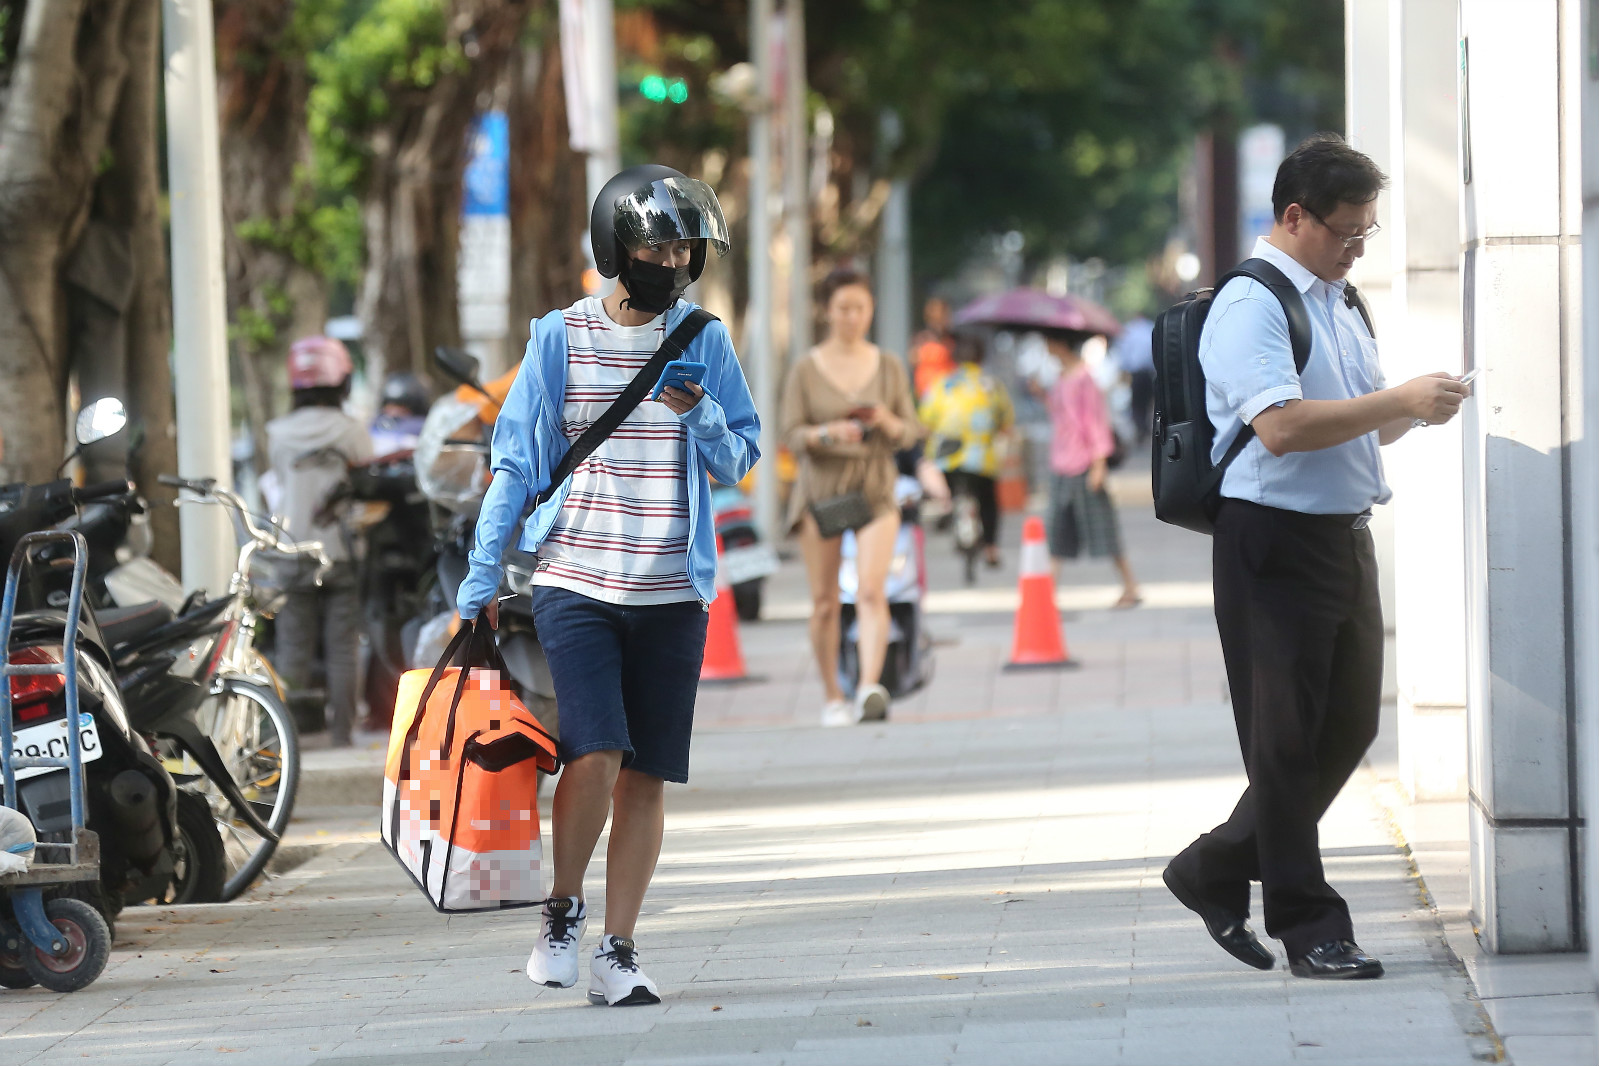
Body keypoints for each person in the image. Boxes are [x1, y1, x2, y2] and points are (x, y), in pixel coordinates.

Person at [1163, 133, 1470, 981]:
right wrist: (1393, 399)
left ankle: (1213, 867)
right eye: (1345, 232)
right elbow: (1282, 427)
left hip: (1343, 536)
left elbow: (1351, 417)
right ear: (1293, 216)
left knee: (1348, 726)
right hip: (1270, 541)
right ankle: (1310, 926)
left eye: (1366, 233)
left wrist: (1416, 407)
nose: (1354, 248)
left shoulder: (1340, 298)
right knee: (1285, 744)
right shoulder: (1250, 304)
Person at [455, 164, 758, 1006]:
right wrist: (484, 574)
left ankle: (617, 950)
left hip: (672, 590)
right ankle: (561, 911)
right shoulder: (557, 336)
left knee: (647, 773)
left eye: (682, 245)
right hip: (576, 579)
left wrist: (696, 411)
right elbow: (515, 461)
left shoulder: (705, 338)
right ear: (615, 248)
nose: (672, 259)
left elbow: (739, 458)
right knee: (593, 751)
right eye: (656, 244)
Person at [780, 267, 922, 726]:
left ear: (871, 310)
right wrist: (826, 431)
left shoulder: (889, 365)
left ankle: (868, 687)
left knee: (871, 589)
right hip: (821, 490)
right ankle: (832, 696)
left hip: (876, 487)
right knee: (824, 602)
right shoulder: (806, 367)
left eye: (860, 308)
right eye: (843, 308)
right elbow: (789, 432)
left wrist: (886, 420)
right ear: (827, 311)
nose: (852, 317)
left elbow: (910, 431)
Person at [266, 336, 374, 747]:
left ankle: (288, 740)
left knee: (293, 647)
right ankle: (343, 734)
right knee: (343, 647)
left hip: (293, 551)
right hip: (342, 550)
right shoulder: (352, 431)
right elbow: (367, 484)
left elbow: (276, 484)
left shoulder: (276, 433)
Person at [1043, 329, 1140, 608]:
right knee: (1056, 529)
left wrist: (1099, 465)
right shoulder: (1060, 378)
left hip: (1084, 464)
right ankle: (1048, 593)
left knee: (1102, 527)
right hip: (1062, 463)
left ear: (1060, 342)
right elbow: (1062, 416)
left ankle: (1130, 585)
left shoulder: (1084, 378)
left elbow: (1095, 422)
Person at [918, 329, 1013, 568]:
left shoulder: (942, 384)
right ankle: (991, 548)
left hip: (948, 457)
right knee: (989, 501)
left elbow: (925, 419)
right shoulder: (992, 385)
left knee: (944, 483)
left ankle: (947, 504)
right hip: (983, 459)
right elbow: (1006, 420)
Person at [1112, 314, 1156, 442]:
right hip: (1148, 373)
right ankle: (1143, 426)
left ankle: (1141, 426)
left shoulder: (1129, 330)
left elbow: (1124, 353)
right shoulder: (1149, 328)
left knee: (1137, 403)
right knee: (1146, 402)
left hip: (1136, 374)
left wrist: (1124, 370)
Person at [369, 371, 430, 457]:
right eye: (390, 406)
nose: (393, 413)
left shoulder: (421, 426)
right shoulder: (377, 424)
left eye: (401, 408)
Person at [911, 296, 957, 401]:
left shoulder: (952, 339)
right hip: (927, 394)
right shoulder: (922, 338)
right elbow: (914, 361)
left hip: (948, 395)